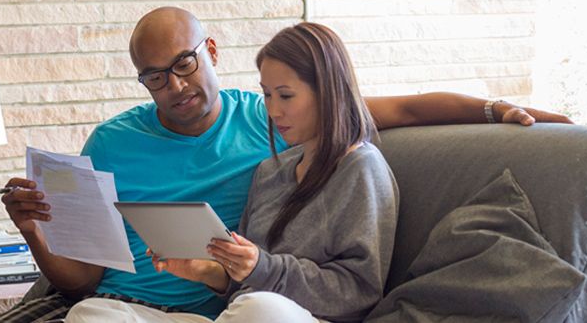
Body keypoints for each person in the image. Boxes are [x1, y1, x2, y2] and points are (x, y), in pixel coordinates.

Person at [0, 7, 573, 322]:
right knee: (93, 316)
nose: (175, 85)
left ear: (210, 54)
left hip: (252, 307)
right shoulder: (267, 161)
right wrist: (34, 230)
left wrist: (499, 108)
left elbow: (406, 107)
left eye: (185, 64)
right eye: (154, 76)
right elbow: (81, 281)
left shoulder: (269, 126)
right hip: (138, 308)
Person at [68, 21, 396, 323]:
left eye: (285, 96)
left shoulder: (361, 168)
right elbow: (244, 286)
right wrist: (210, 271)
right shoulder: (270, 172)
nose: (272, 110)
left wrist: (261, 268)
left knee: (262, 309)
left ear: (328, 90)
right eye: (267, 94)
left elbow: (360, 292)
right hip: (239, 314)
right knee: (91, 313)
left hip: (289, 316)